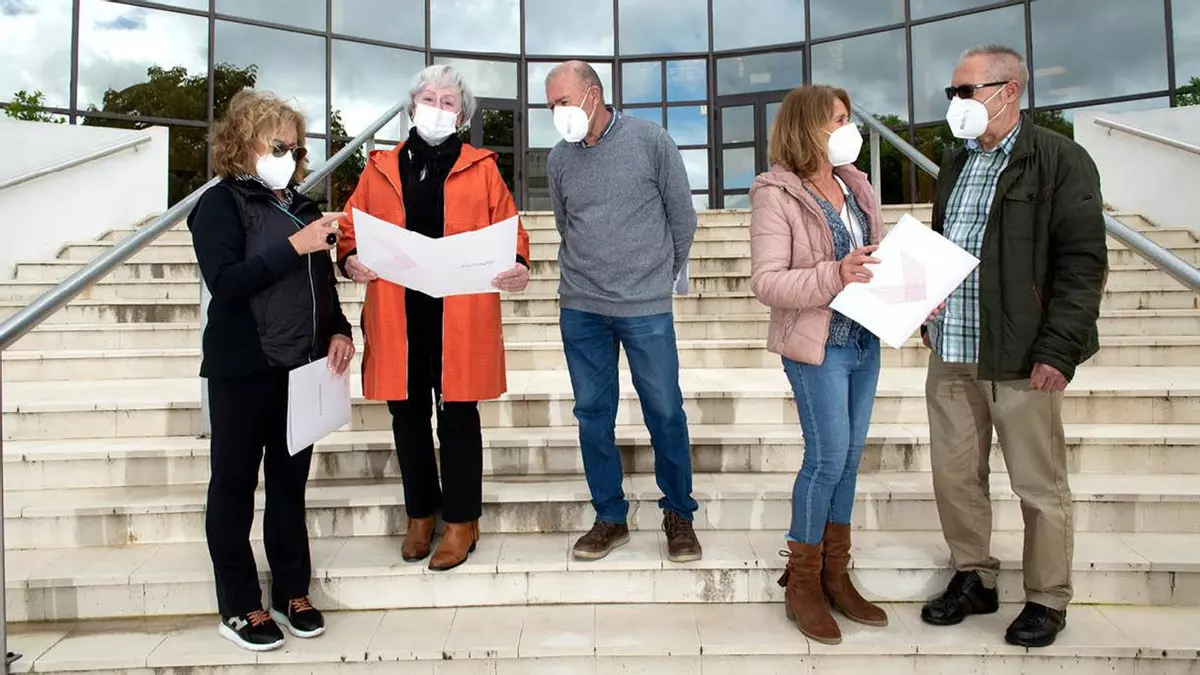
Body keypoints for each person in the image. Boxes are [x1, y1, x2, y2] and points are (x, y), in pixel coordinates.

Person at [918, 44, 1107, 648]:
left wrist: (1060, 349)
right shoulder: (955, 162)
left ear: (1010, 92)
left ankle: (1047, 598)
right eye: (952, 92)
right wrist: (923, 303)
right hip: (953, 351)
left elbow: (1083, 264)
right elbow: (946, 246)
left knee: (1037, 485)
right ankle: (973, 576)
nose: (956, 101)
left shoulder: (1059, 159)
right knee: (955, 478)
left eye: (965, 90)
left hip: (1023, 356)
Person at [337, 65, 530, 572]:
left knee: (459, 416)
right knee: (407, 417)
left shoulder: (481, 168)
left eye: (448, 102)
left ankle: (463, 521)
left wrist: (519, 264)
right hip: (399, 310)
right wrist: (348, 258)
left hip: (459, 310)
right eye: (429, 98)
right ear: (411, 107)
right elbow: (350, 225)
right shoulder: (379, 167)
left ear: (461, 115)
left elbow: (511, 229)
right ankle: (420, 515)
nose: (437, 108)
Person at [188, 90, 353, 651]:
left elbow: (320, 287)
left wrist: (339, 331)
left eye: (295, 148)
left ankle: (291, 591)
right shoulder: (219, 204)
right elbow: (226, 283)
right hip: (242, 368)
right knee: (234, 486)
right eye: (277, 146)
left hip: (300, 369)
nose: (290, 155)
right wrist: (294, 246)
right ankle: (239, 605)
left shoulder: (301, 206)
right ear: (244, 143)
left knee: (289, 486)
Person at [544, 61, 702, 563]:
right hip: (582, 307)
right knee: (592, 416)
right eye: (550, 106)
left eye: (562, 102)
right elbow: (566, 224)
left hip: (644, 307)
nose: (557, 113)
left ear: (592, 95)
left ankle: (678, 514)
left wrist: (656, 279)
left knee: (665, 411)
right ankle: (610, 517)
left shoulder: (650, 141)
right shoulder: (559, 159)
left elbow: (683, 219)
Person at [748, 85, 887, 645]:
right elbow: (767, 282)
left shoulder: (856, 185)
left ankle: (836, 573)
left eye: (849, 118)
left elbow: (871, 261)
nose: (848, 129)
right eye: (837, 120)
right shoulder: (775, 193)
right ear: (808, 127)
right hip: (818, 346)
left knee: (849, 461)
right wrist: (836, 274)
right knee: (826, 458)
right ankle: (803, 581)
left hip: (865, 341)